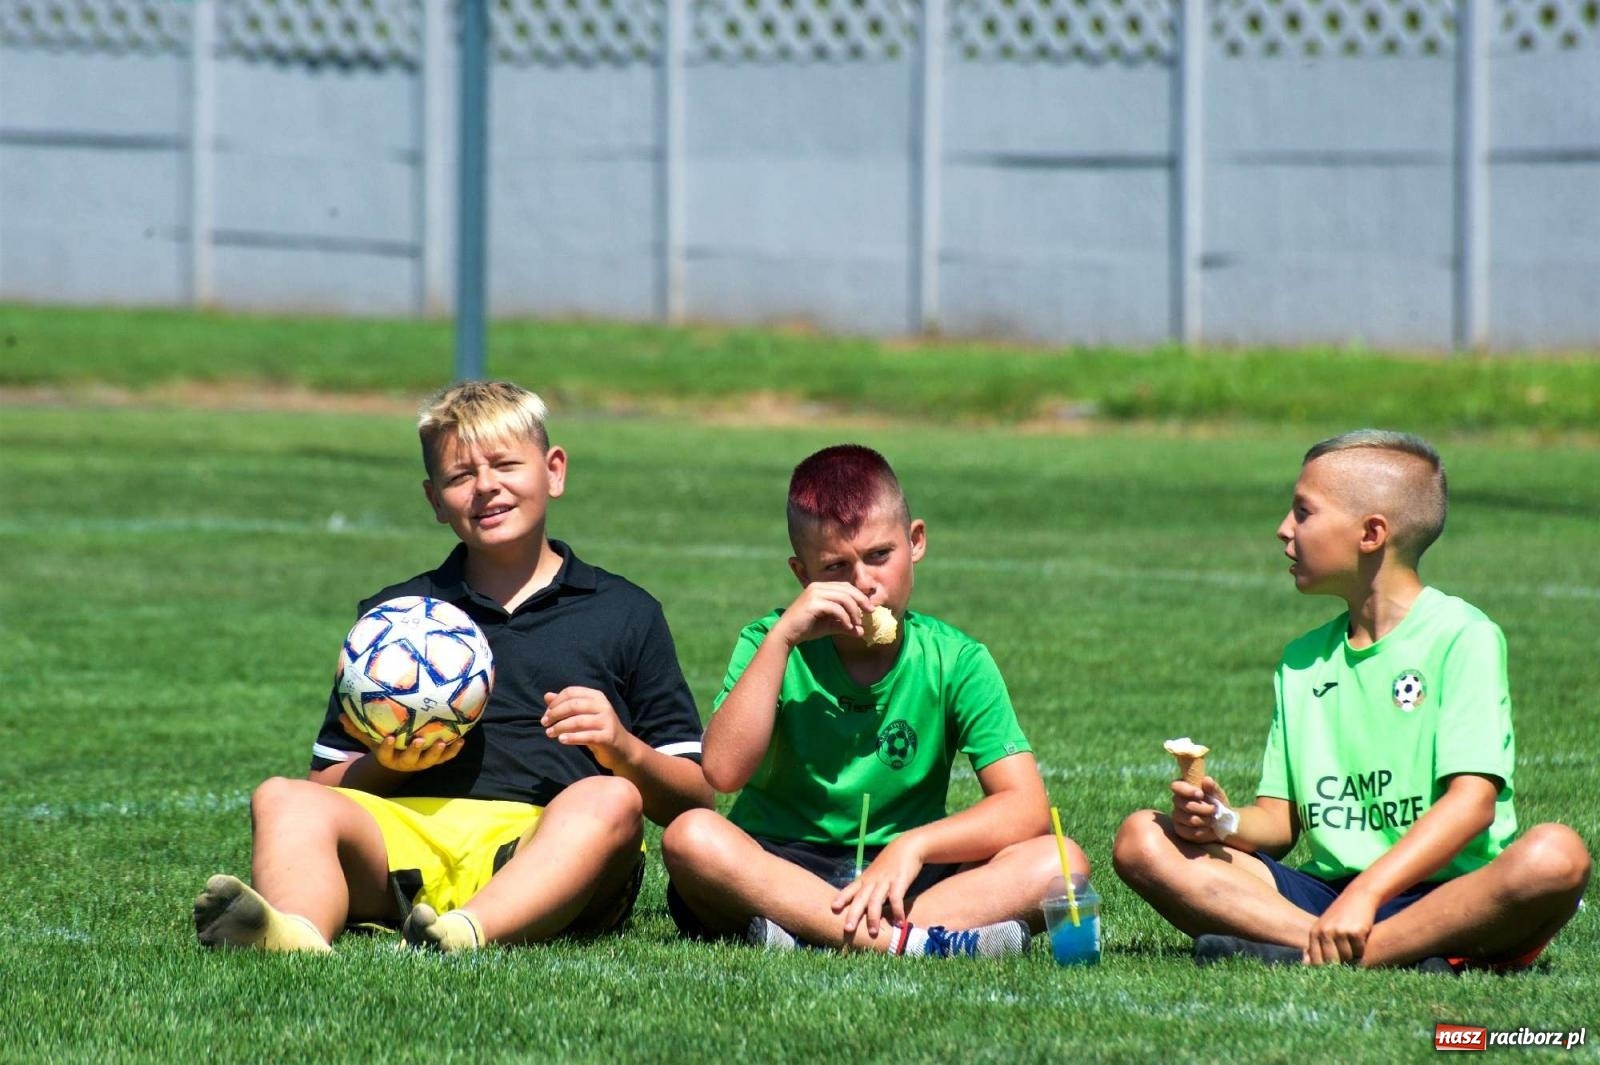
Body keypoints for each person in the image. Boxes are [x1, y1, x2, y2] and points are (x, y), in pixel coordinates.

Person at [194, 380, 712, 952]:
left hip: (547, 849)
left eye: (505, 465)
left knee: (610, 799)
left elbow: (695, 800)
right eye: (460, 476)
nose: (486, 486)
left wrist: (623, 748)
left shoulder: (625, 613)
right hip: (409, 843)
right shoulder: (393, 623)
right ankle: (295, 932)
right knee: (281, 797)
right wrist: (389, 766)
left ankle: (466, 932)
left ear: (554, 471)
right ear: (435, 499)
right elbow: (327, 786)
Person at [1113, 429, 1590, 970]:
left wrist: (1369, 892)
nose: (1283, 529)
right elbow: (1278, 822)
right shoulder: (1302, 659)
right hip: (1329, 898)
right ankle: (1383, 953)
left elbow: (1472, 805)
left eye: (1303, 512)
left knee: (1556, 855)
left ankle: (1327, 949)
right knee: (1141, 839)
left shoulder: (1463, 635)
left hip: (1445, 895)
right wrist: (1222, 822)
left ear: (1371, 534)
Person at [662, 444, 1083, 958]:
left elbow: (1025, 807)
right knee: (690, 838)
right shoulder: (767, 642)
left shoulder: (957, 659)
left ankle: (805, 935)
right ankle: (914, 943)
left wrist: (914, 846)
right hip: (779, 864)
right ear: (802, 575)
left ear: (917, 541)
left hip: (905, 875)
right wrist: (783, 641)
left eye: (880, 556)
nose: (864, 584)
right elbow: (723, 773)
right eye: (836, 566)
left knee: (1061, 862)